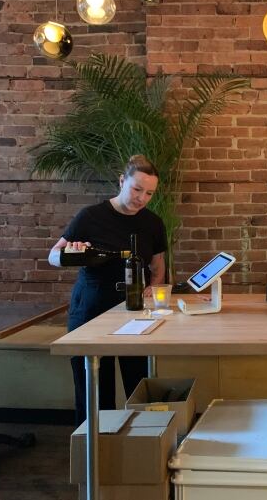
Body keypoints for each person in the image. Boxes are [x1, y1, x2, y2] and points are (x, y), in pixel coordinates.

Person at [48, 154, 167, 425]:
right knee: (94, 393)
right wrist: (70, 253)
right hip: (89, 310)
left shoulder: (153, 223)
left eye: (149, 193)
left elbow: (158, 265)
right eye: (137, 189)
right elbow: (52, 256)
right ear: (122, 181)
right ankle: (93, 455)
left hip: (133, 314)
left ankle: (141, 446)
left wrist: (154, 288)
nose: (142, 198)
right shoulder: (90, 217)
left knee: (139, 385)